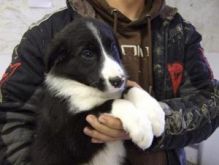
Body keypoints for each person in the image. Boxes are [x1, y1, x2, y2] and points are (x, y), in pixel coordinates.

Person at [0, 0, 219, 164]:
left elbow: (211, 104)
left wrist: (156, 121)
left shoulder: (181, 33)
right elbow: (10, 116)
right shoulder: (49, 32)